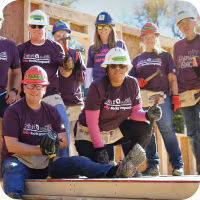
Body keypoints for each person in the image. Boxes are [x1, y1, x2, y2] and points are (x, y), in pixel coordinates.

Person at [1, 66, 146, 199]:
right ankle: (13, 196)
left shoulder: (52, 111)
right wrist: (41, 149)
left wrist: (53, 139)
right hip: (20, 162)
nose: (34, 90)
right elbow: (12, 146)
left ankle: (116, 170)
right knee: (11, 168)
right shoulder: (13, 111)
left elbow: (63, 141)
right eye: (30, 86)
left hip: (47, 164)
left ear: (45, 89)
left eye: (39, 86)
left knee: (80, 162)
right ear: (24, 88)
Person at [75, 47, 162, 170]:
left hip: (111, 131)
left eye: (121, 66)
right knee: (98, 171)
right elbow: (92, 122)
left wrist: (148, 115)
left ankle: (129, 166)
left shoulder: (132, 84)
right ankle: (111, 167)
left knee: (145, 126)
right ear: (107, 68)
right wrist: (99, 148)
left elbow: (134, 113)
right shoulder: (97, 86)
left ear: (127, 68)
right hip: (87, 134)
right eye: (113, 65)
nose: (117, 68)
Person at [129, 22, 184, 176]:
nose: (149, 40)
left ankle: (177, 165)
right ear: (142, 39)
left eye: (152, 37)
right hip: (143, 99)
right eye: (146, 37)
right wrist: (137, 81)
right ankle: (153, 166)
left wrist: (176, 96)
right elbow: (130, 81)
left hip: (161, 97)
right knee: (147, 132)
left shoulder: (165, 56)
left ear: (156, 37)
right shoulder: (137, 59)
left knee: (167, 130)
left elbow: (172, 78)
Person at [17, 10, 72, 157]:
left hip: (51, 95)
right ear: (28, 27)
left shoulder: (55, 47)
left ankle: (64, 164)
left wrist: (68, 65)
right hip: (28, 96)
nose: (36, 29)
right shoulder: (21, 49)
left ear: (45, 28)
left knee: (63, 122)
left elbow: (65, 74)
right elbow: (15, 74)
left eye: (40, 26)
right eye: (33, 26)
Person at [84, 11, 128, 163]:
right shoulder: (92, 48)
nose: (103, 29)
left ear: (111, 28)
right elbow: (89, 71)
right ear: (96, 28)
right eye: (100, 26)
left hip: (117, 88)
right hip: (99, 90)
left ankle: (128, 162)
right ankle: (109, 161)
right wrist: (87, 90)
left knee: (122, 123)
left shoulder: (119, 45)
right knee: (104, 125)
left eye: (106, 26)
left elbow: (125, 67)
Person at [52, 20, 86, 155]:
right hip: (56, 102)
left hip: (74, 102)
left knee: (75, 139)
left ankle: (76, 168)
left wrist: (77, 68)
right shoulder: (50, 54)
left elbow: (83, 77)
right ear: (53, 36)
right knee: (60, 139)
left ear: (69, 36)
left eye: (64, 34)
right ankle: (61, 167)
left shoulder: (76, 54)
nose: (61, 37)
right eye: (58, 35)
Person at [174, 11, 200, 175]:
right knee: (192, 133)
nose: (185, 25)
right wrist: (175, 94)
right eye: (181, 23)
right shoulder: (177, 46)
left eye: (188, 21)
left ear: (195, 22)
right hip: (184, 94)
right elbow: (176, 71)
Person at [0, 8, 22, 177]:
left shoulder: (9, 45)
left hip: (2, 95)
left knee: (13, 126)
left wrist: (14, 91)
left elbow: (16, 71)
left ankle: (10, 167)